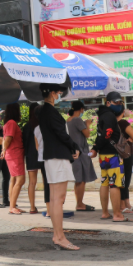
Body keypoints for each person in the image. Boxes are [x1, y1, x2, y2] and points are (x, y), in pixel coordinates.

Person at [37, 84, 81, 251]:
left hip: (52, 157)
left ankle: (58, 235)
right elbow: (61, 133)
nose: (61, 95)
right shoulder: (49, 111)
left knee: (56, 199)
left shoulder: (43, 111)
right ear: (53, 93)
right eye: (59, 92)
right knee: (58, 199)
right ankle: (59, 236)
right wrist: (74, 146)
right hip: (57, 157)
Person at [93, 92, 128, 223]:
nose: (119, 105)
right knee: (114, 184)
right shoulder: (109, 116)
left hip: (103, 155)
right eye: (116, 102)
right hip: (113, 154)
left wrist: (96, 147)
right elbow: (107, 134)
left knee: (105, 182)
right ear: (108, 103)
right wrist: (96, 147)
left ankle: (105, 213)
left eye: (120, 103)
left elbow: (100, 135)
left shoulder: (102, 115)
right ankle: (117, 214)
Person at [66, 101, 97, 212]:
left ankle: (79, 202)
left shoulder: (68, 120)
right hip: (80, 152)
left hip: (72, 151)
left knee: (78, 179)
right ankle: (79, 203)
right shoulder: (77, 120)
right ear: (81, 109)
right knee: (81, 180)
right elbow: (87, 134)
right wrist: (87, 124)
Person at [1, 103, 25, 213]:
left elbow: (4, 139)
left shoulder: (7, 123)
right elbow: (8, 139)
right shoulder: (11, 123)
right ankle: (12, 207)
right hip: (15, 154)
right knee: (20, 179)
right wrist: (4, 149)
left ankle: (12, 205)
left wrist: (4, 150)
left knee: (13, 179)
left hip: (11, 154)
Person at [118, 115, 133, 214]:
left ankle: (126, 204)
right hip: (126, 153)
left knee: (121, 180)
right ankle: (124, 205)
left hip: (116, 154)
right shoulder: (123, 123)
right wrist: (132, 140)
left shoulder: (110, 123)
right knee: (125, 180)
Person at [22, 104, 41, 214]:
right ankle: (50, 207)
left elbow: (24, 143)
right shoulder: (41, 125)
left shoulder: (26, 126)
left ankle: (32, 207)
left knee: (32, 183)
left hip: (30, 156)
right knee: (47, 181)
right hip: (42, 155)